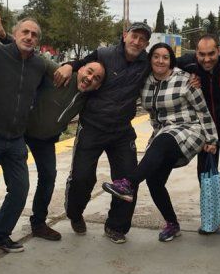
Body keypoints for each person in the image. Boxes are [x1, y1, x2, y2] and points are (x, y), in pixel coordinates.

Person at [101, 43, 218, 242]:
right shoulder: (145, 82)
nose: (160, 61)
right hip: (161, 133)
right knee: (154, 181)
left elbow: (202, 111)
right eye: (156, 56)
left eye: (165, 57)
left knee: (163, 141)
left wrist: (211, 139)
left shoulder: (185, 80)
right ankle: (172, 224)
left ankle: (128, 184)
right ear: (150, 60)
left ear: (171, 60)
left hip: (188, 130)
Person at [55, 22, 152, 244]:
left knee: (128, 180)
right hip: (92, 127)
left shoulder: (146, 62)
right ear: (125, 35)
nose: (137, 42)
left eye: (142, 39)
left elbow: (173, 65)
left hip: (121, 131)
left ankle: (116, 226)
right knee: (82, 178)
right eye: (134, 36)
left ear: (147, 44)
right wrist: (69, 65)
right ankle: (75, 213)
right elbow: (81, 64)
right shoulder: (104, 54)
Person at [0, 14, 52, 269]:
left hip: (16, 138)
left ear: (38, 40)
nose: (29, 37)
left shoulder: (40, 65)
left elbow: (56, 77)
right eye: (24, 32)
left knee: (20, 188)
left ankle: (0, 234)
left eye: (34, 34)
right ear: (15, 35)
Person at [24, 59, 106, 241]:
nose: (89, 78)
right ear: (81, 68)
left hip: (44, 140)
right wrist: (6, 38)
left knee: (48, 178)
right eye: (89, 72)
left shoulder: (87, 96)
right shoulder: (62, 74)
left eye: (96, 78)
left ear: (98, 86)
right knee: (16, 183)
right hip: (20, 133)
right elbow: (34, 58)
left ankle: (38, 223)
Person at [176, 35, 220, 237]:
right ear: (196, 53)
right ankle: (212, 218)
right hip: (204, 130)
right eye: (202, 54)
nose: (206, 59)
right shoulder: (188, 63)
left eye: (211, 54)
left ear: (219, 51)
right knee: (205, 175)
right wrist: (184, 79)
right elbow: (163, 63)